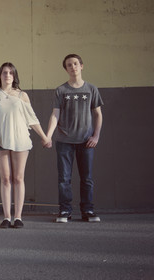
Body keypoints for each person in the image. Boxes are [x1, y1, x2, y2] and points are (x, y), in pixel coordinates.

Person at [0, 62, 50, 228]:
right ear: (0, 75)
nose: (7, 75)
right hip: (1, 142)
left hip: (21, 141)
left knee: (18, 178)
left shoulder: (22, 96)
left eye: (10, 73)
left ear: (14, 77)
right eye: (4, 72)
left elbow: (32, 119)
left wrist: (44, 137)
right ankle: (7, 217)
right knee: (5, 179)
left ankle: (18, 217)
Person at [45, 54, 103, 223]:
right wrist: (48, 135)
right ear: (66, 69)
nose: (73, 67)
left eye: (76, 64)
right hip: (64, 141)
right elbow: (55, 114)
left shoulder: (91, 89)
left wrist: (96, 136)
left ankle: (88, 211)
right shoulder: (61, 90)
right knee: (64, 179)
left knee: (87, 178)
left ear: (82, 66)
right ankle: (65, 211)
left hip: (86, 141)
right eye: (69, 65)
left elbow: (98, 115)